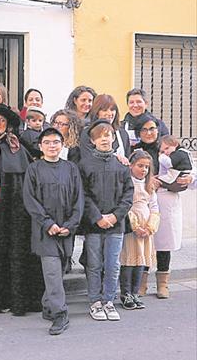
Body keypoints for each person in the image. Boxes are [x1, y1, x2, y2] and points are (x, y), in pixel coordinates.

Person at [0, 104, 43, 315]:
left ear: (7, 125)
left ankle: (15, 299)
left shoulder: (18, 148)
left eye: (2, 121)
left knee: (13, 252)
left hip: (12, 209)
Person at [22, 127, 84, 335]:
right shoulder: (34, 169)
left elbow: (78, 199)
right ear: (41, 146)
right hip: (44, 231)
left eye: (55, 142)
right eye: (47, 142)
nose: (51, 146)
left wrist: (71, 224)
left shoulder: (71, 168)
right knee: (51, 272)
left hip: (67, 229)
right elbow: (30, 200)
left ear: (62, 144)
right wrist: (48, 223)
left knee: (61, 269)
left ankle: (49, 305)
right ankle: (60, 313)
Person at [78, 120, 134, 322]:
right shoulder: (84, 165)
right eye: (99, 136)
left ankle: (108, 301)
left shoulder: (121, 164)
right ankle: (95, 301)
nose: (104, 138)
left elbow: (128, 194)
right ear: (92, 141)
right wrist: (98, 217)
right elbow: (83, 195)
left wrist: (115, 216)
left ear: (113, 138)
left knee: (113, 264)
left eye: (108, 134)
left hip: (115, 225)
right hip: (94, 225)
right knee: (94, 264)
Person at [134, 119, 196, 299]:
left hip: (167, 200)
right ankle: (142, 283)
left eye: (152, 129)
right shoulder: (136, 150)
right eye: (144, 129)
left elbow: (189, 171)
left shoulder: (173, 151)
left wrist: (190, 179)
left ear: (158, 130)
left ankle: (163, 284)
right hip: (144, 200)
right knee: (144, 241)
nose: (148, 133)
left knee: (164, 244)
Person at [118, 150, 159, 310]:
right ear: (131, 165)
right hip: (131, 228)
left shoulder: (149, 186)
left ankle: (135, 292)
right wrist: (135, 226)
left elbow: (154, 207)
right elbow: (126, 205)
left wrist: (150, 227)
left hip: (146, 230)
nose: (143, 170)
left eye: (147, 167)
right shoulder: (127, 183)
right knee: (129, 261)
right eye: (140, 166)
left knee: (141, 261)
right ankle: (125, 293)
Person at [80, 94, 131, 163]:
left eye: (112, 109)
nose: (109, 113)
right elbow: (88, 159)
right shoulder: (87, 133)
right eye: (105, 110)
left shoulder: (123, 134)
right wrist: (116, 158)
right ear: (96, 112)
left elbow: (128, 160)